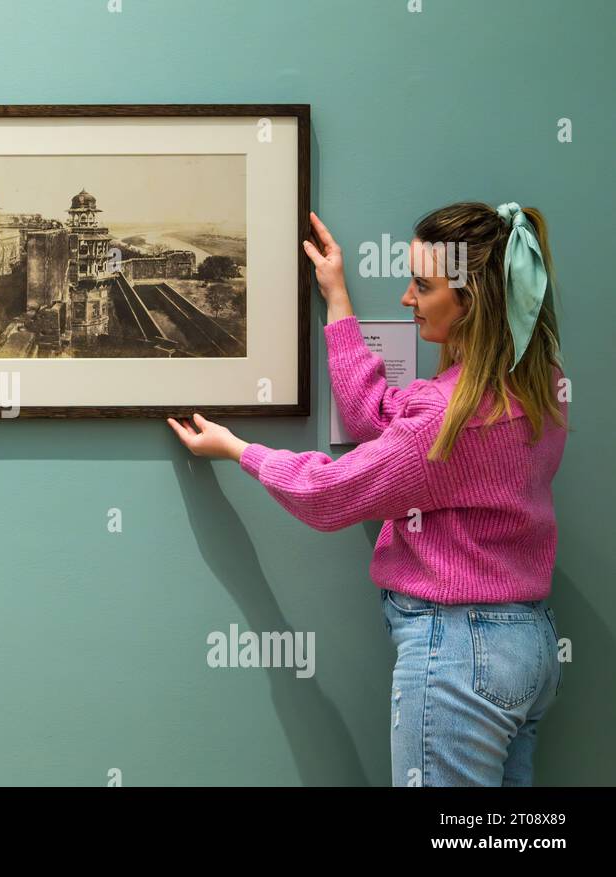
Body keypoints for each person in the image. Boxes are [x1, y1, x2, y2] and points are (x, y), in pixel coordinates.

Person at [169, 205, 569, 786]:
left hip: (459, 654)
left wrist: (238, 450)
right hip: (527, 646)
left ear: (472, 303)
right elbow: (380, 424)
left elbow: (329, 494)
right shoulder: (539, 384)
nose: (408, 298)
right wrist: (337, 300)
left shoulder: (447, 420)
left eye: (423, 286)